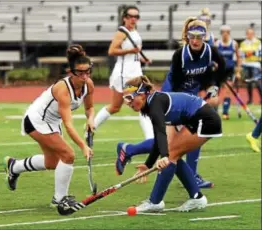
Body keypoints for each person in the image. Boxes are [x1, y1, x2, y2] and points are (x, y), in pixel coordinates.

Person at [116, 17, 226, 189]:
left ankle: (129, 150)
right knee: (178, 139)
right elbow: (175, 85)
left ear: (205, 36)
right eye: (192, 36)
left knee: (188, 136)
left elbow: (223, 67)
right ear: (187, 36)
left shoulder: (210, 51)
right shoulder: (181, 55)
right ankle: (190, 175)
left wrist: (214, 86)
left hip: (189, 97)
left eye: (200, 36)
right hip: (173, 97)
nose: (196, 40)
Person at [3, 44, 94, 215]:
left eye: (88, 72)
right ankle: (59, 199)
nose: (84, 76)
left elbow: (89, 108)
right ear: (71, 72)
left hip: (52, 122)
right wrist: (83, 146)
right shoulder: (63, 89)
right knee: (68, 155)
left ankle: (14, 166)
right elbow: (68, 124)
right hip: (36, 120)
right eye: (80, 73)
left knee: (52, 163)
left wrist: (91, 119)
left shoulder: (88, 84)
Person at [122, 76, 222, 212]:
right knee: (174, 155)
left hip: (205, 120)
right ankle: (197, 198)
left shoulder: (155, 104)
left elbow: (161, 133)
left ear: (141, 94)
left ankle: (155, 202)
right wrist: (148, 164)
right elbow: (159, 138)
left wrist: (164, 156)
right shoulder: (152, 102)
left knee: (171, 155)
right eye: (125, 99)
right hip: (197, 119)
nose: (127, 103)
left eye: (129, 98)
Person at [93, 5, 153, 140]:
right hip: (124, 74)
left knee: (135, 104)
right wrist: (131, 51)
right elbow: (112, 51)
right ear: (124, 18)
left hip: (136, 73)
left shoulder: (134, 31)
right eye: (130, 16)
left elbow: (135, 52)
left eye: (136, 16)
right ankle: (91, 127)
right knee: (128, 105)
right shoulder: (121, 32)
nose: (133, 19)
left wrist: (143, 58)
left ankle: (150, 139)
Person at [215, 25, 242, 120]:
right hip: (219, 71)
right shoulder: (217, 43)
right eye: (223, 32)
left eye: (227, 32)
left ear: (229, 33)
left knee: (228, 90)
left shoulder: (234, 44)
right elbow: (213, 57)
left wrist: (238, 71)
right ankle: (214, 111)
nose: (225, 34)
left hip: (229, 70)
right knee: (215, 91)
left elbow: (239, 58)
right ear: (221, 33)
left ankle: (225, 112)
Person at [240, 27, 262, 104]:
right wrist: (251, 53)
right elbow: (241, 54)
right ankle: (250, 100)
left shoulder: (258, 42)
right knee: (248, 83)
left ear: (253, 34)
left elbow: (259, 53)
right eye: (248, 33)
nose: (249, 35)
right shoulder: (243, 43)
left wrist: (249, 53)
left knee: (257, 82)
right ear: (246, 34)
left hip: (255, 64)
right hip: (246, 65)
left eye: (251, 33)